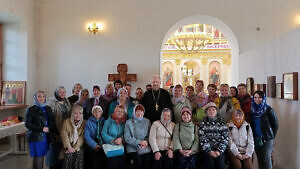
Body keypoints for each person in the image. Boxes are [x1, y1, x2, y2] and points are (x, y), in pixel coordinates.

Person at [25, 91, 57, 169]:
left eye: (43, 96)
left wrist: (56, 133)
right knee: (38, 157)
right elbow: (27, 124)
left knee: (42, 156)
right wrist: (41, 129)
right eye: (39, 96)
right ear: (35, 98)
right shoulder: (31, 109)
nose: (42, 98)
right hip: (36, 137)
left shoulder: (48, 108)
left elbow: (52, 122)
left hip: (47, 136)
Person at [250, 91, 278, 169]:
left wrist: (272, 137)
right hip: (256, 137)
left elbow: (275, 125)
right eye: (255, 97)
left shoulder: (269, 110)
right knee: (260, 158)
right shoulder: (252, 110)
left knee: (266, 159)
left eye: (259, 97)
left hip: (267, 138)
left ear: (263, 98)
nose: (257, 99)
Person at [47, 86, 72, 169]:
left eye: (64, 92)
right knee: (55, 149)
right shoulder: (51, 101)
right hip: (56, 127)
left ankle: (61, 165)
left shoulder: (66, 100)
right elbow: (50, 117)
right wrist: (54, 131)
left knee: (63, 148)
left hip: (66, 128)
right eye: (60, 92)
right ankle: (53, 166)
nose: (62, 94)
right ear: (56, 93)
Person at [198, 102, 229, 169]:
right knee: (209, 164)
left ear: (216, 111)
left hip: (219, 149)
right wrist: (209, 151)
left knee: (221, 165)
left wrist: (219, 151)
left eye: (213, 110)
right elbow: (202, 138)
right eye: (209, 110)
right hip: (207, 149)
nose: (211, 111)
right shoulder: (203, 122)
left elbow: (225, 138)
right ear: (206, 112)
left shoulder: (222, 122)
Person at [124, 104, 151, 169]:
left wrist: (146, 142)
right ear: (134, 112)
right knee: (138, 162)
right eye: (137, 111)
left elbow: (150, 135)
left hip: (144, 146)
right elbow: (127, 138)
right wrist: (139, 142)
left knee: (147, 160)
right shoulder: (128, 122)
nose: (139, 113)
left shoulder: (147, 121)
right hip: (132, 147)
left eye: (141, 111)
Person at [61, 105, 86, 169]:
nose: (78, 115)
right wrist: (69, 147)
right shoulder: (66, 121)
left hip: (78, 146)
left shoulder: (84, 123)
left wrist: (75, 148)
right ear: (72, 114)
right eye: (75, 113)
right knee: (68, 156)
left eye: (80, 113)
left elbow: (82, 138)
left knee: (79, 155)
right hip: (68, 145)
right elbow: (64, 136)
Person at [102, 105, 126, 169]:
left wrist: (121, 139)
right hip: (110, 145)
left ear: (123, 113)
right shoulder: (108, 121)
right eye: (118, 111)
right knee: (112, 162)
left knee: (121, 162)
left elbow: (126, 133)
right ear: (114, 112)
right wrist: (113, 140)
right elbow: (103, 133)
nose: (120, 113)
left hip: (121, 146)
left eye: (121, 111)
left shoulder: (124, 123)